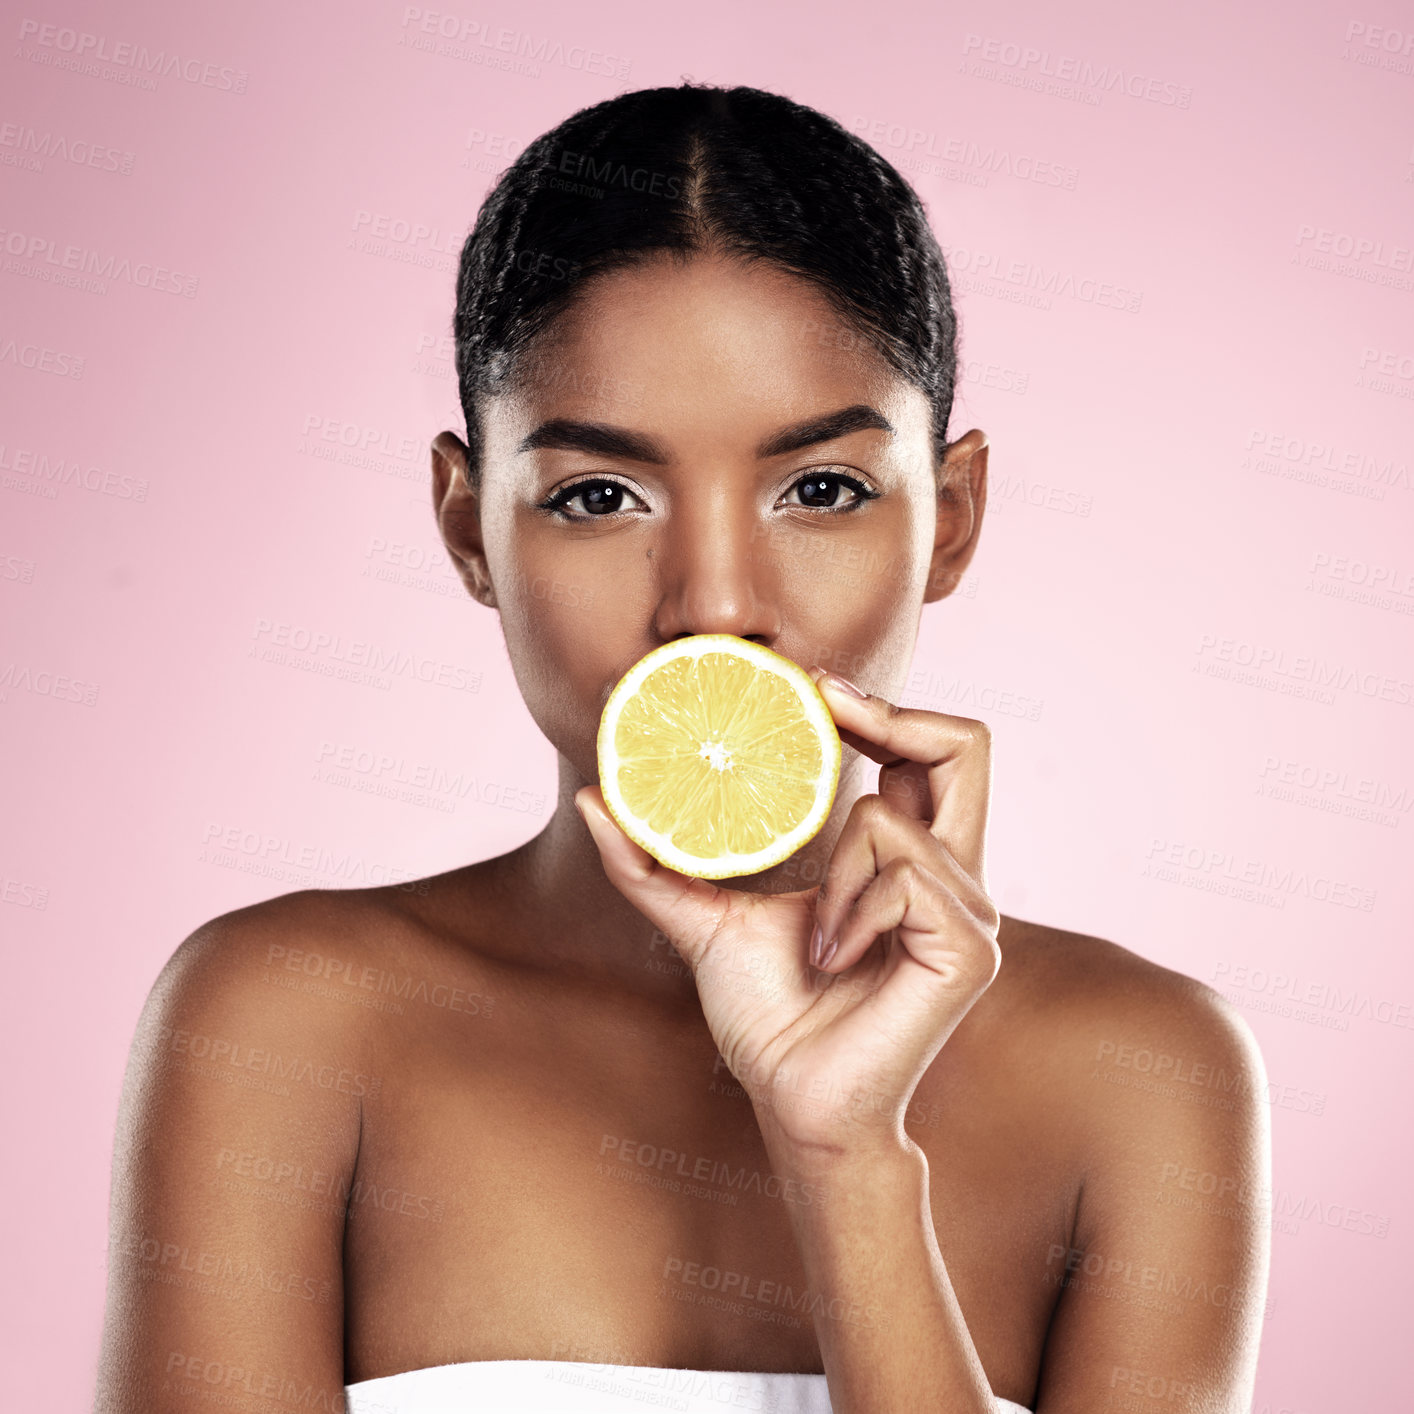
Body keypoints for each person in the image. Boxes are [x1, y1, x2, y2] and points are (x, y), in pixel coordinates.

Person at [94, 83, 1270, 1414]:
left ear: (949, 518)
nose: (712, 601)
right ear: (469, 527)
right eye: (600, 496)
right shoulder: (286, 1018)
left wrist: (848, 1157)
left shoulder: (1145, 1077)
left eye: (818, 489)